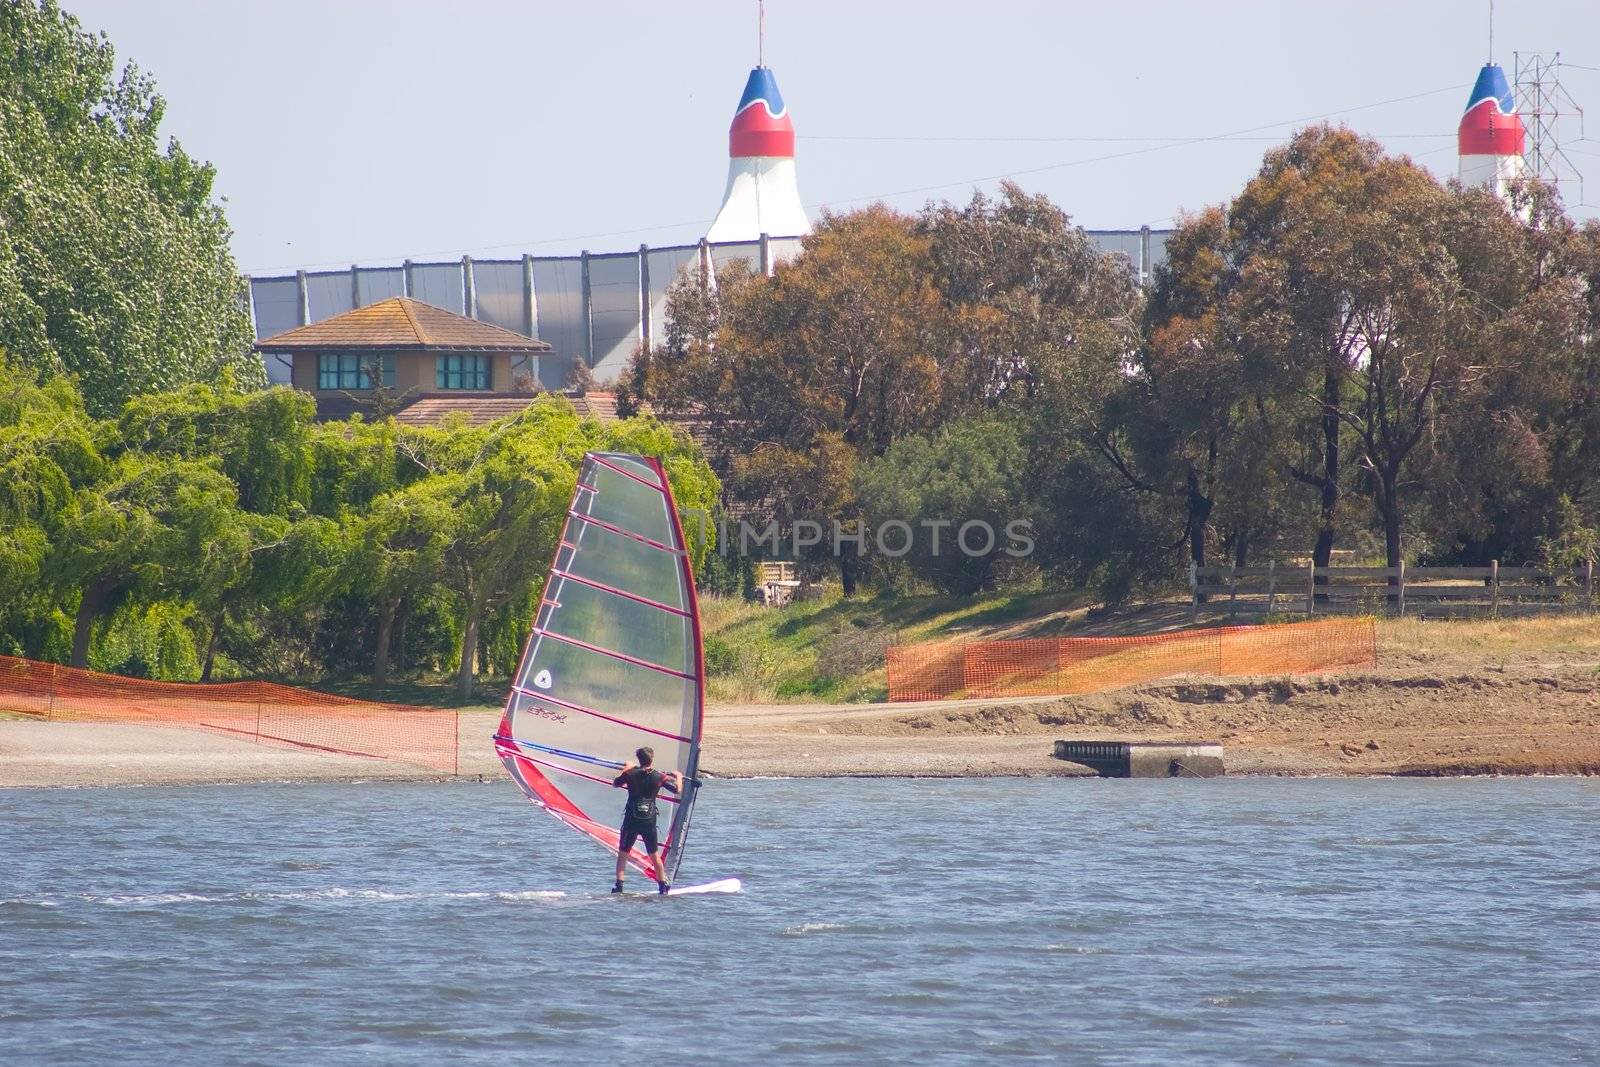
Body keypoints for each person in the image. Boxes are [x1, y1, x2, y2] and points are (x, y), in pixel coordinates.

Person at [611, 746, 682, 894]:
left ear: (639, 759)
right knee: (654, 854)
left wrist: (627, 768)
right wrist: (678, 776)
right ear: (652, 758)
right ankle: (662, 886)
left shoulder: (630, 774)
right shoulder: (659, 776)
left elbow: (615, 783)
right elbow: (677, 790)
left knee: (623, 853)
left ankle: (619, 886)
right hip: (648, 820)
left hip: (632, 819)